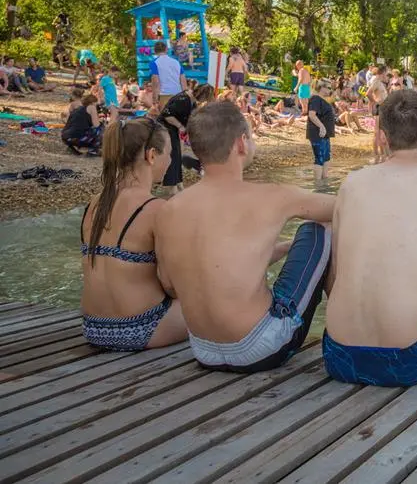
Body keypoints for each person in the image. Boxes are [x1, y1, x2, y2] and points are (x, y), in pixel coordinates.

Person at [155, 102, 335, 372]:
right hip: (261, 347)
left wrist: (286, 248)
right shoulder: (272, 197)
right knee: (322, 227)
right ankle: (357, 332)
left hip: (204, 349)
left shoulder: (170, 209)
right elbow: (346, 207)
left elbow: (170, 284)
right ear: (241, 143)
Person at [323, 89, 417, 386]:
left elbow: (336, 273)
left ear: (381, 135)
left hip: (338, 356)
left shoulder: (351, 183)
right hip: (405, 361)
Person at [79, 118, 188, 351]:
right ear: (151, 155)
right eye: (168, 153)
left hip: (94, 328)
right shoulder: (156, 208)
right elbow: (171, 286)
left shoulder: (94, 204)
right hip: (141, 328)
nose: (170, 160)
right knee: (217, 301)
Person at [158, 83, 215, 194]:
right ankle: (171, 186)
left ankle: (178, 182)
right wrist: (180, 127)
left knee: (177, 155)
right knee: (173, 155)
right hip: (166, 127)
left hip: (174, 128)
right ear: (202, 95)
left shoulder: (191, 102)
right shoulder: (182, 99)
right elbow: (166, 115)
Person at [306, 80, 336, 181]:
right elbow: (311, 115)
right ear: (321, 88)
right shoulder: (315, 99)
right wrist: (322, 126)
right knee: (319, 157)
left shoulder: (323, 100)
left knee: (326, 157)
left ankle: (324, 181)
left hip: (325, 134)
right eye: (328, 87)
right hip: (317, 133)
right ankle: (318, 184)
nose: (330, 90)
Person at [149, 41, 186, 107]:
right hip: (178, 94)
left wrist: (154, 99)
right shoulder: (176, 62)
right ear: (166, 49)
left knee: (165, 116)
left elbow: (156, 83)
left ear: (154, 51)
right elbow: (183, 81)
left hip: (164, 95)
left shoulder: (154, 63)